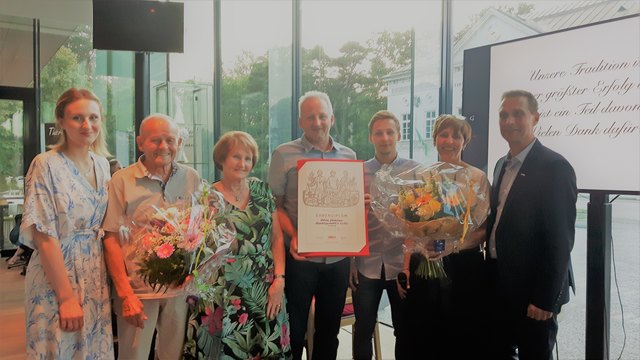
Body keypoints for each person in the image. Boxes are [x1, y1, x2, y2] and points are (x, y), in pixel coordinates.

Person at [20, 87, 114, 358]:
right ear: (61, 121)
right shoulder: (45, 164)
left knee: (93, 349)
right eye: (78, 118)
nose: (88, 125)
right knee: (60, 349)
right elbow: (44, 236)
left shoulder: (102, 165)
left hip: (95, 275)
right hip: (57, 277)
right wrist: (66, 297)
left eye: (94, 118)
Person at [183, 131, 291, 359]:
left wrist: (279, 281)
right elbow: (194, 246)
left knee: (265, 349)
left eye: (248, 158)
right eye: (236, 157)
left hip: (264, 289)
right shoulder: (206, 197)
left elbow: (277, 239)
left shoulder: (262, 191)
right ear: (221, 158)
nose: (243, 163)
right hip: (221, 291)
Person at [486, 90, 577, 360]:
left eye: (518, 114)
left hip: (533, 291)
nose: (509, 121)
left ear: (535, 118)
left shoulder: (555, 167)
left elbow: (561, 239)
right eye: (503, 115)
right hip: (500, 283)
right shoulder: (501, 164)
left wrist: (545, 297)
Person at [102, 114, 201, 360]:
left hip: (179, 290)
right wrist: (125, 293)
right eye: (155, 140)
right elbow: (110, 239)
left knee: (173, 356)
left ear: (179, 142)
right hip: (138, 292)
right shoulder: (122, 180)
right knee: (132, 356)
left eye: (170, 140)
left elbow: (199, 229)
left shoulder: (191, 178)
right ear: (140, 143)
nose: (164, 147)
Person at [268, 91, 357, 359]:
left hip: (338, 261)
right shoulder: (283, 154)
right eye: (310, 117)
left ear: (331, 117)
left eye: (322, 116)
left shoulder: (349, 156)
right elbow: (275, 206)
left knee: (329, 332)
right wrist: (294, 235)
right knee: (294, 332)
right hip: (300, 258)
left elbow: (351, 206)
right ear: (300, 122)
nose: (317, 122)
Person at [399, 115, 491, 359]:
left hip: (464, 267)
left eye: (456, 136)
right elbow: (411, 226)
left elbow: (483, 230)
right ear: (435, 139)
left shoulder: (477, 178)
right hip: (425, 264)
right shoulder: (421, 176)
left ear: (465, 141)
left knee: (460, 336)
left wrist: (453, 246)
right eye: (444, 134)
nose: (449, 141)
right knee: (424, 335)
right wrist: (406, 266)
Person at [349, 111, 419, 360]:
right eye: (379, 133)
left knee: (404, 329)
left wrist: (408, 265)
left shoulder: (414, 172)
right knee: (363, 330)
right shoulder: (356, 172)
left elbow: (417, 223)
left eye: (390, 132)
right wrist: (351, 261)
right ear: (371, 137)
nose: (385, 137)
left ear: (399, 135)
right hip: (366, 264)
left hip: (402, 263)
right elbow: (348, 222)